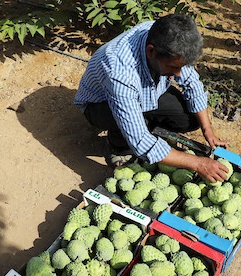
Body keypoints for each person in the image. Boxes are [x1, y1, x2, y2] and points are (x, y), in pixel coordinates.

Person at [74, 13, 229, 183]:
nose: (178, 74)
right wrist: (198, 164)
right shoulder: (119, 72)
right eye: (173, 67)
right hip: (100, 105)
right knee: (134, 134)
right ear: (151, 51)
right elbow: (141, 142)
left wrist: (208, 131)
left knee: (190, 119)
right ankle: (117, 145)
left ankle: (146, 127)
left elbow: (192, 83)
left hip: (146, 91)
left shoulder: (166, 37)